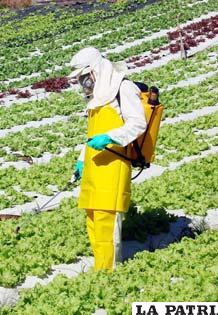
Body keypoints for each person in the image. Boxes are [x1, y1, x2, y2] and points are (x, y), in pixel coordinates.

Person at [68, 47, 147, 271]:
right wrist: (82, 159)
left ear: (96, 70)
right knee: (93, 218)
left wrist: (110, 138)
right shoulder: (97, 97)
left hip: (113, 164)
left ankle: (109, 271)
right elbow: (92, 135)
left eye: (85, 76)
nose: (83, 82)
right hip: (95, 165)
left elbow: (138, 124)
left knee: (107, 219)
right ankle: (99, 268)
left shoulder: (123, 88)